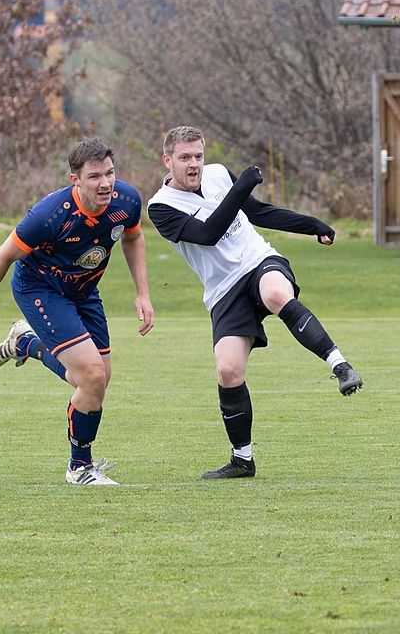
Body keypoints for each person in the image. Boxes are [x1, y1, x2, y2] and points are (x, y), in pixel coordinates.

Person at [146, 126, 362, 480]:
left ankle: (340, 366)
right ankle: (243, 460)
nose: (194, 164)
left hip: (258, 260)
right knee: (228, 370)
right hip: (223, 290)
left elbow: (258, 213)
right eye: (185, 157)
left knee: (278, 294)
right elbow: (208, 233)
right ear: (167, 160)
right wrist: (242, 185)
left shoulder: (218, 175)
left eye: (198, 155)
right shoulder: (160, 207)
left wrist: (312, 225)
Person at [0, 137, 155, 485]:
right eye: (95, 176)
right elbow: (3, 256)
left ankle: (26, 345)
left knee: (98, 380)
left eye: (109, 173)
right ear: (74, 180)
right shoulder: (49, 215)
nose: (106, 183)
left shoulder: (127, 200)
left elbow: (134, 238)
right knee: (91, 377)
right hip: (40, 288)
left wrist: (143, 293)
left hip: (83, 290)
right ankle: (79, 467)